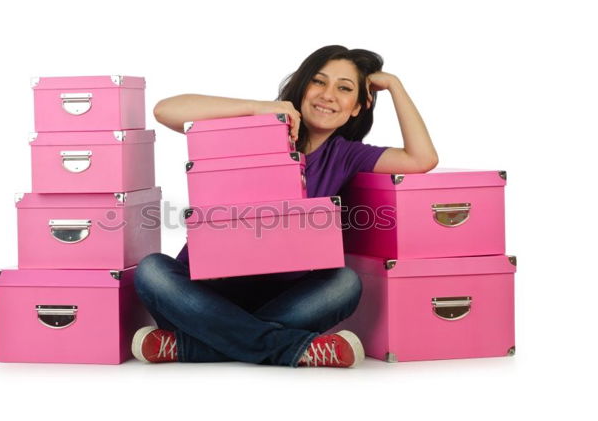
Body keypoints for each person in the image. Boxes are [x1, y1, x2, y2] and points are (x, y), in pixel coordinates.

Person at [131, 45, 438, 368]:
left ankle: (193, 346)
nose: (328, 95)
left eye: (344, 88)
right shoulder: (256, 126)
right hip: (204, 290)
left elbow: (422, 158)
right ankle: (283, 345)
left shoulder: (346, 155)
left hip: (283, 298)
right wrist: (255, 108)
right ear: (303, 86)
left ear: (359, 106)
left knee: (345, 283)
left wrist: (394, 85)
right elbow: (166, 110)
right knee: (152, 270)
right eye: (319, 82)